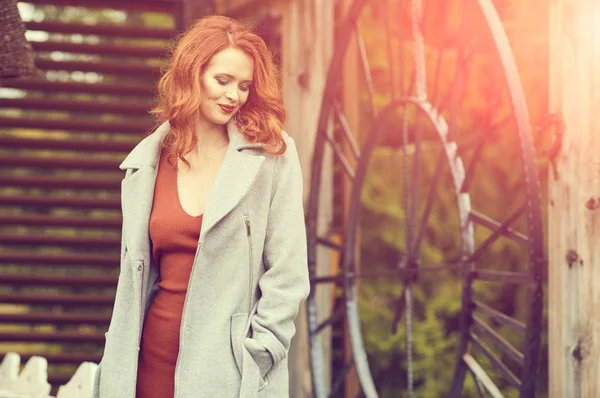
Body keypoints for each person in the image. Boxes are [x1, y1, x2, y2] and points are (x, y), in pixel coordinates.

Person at [93, 15, 310, 398]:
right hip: (146, 363)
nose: (233, 96)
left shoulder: (271, 156)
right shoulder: (147, 163)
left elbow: (288, 275)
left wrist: (260, 354)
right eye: (222, 81)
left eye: (244, 86)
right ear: (191, 75)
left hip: (228, 370)